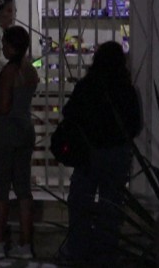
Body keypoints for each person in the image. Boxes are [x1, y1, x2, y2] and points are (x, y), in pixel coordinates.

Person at [59, 41, 142, 265]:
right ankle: (106, 252)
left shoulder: (87, 86)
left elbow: (70, 114)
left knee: (80, 202)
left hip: (89, 153)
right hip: (117, 154)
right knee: (111, 205)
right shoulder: (126, 90)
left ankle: (78, 249)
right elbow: (135, 125)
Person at [0, 26, 39, 259]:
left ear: (12, 47)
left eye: (4, 43)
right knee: (23, 191)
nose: (2, 47)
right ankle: (25, 245)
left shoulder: (9, 71)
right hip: (25, 131)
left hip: (4, 135)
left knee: (1, 191)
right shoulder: (30, 70)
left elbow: (3, 107)